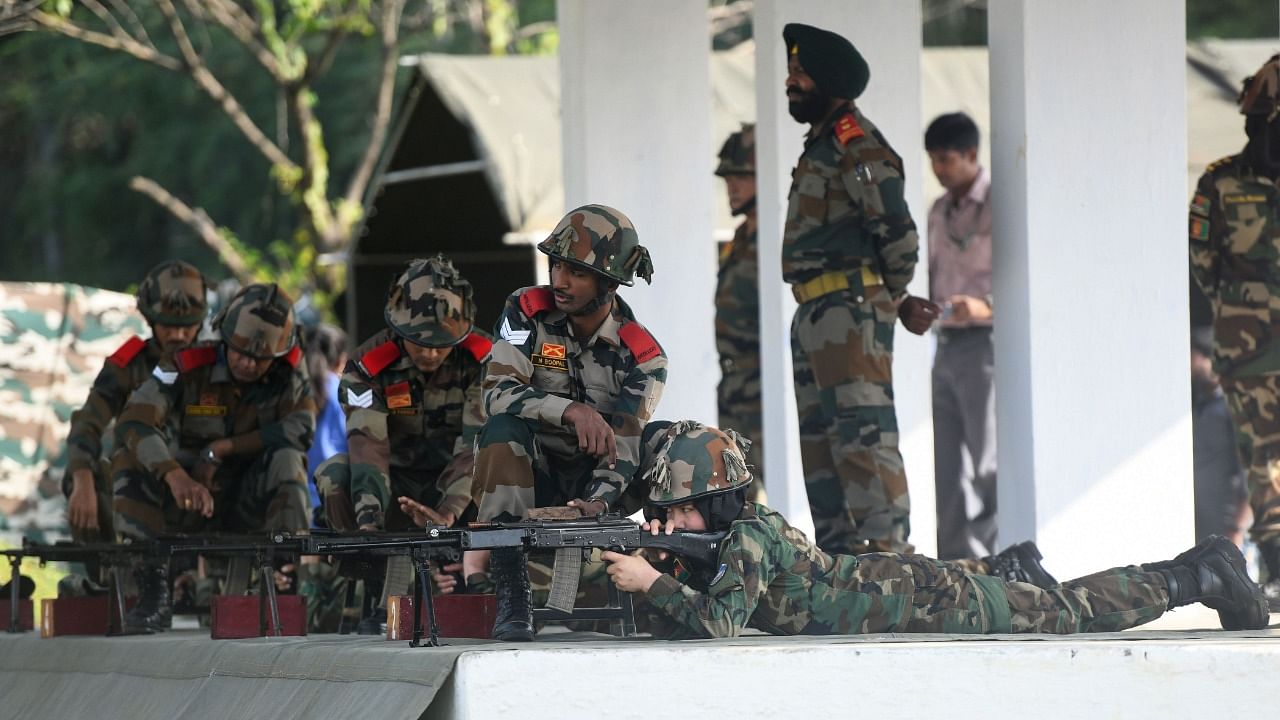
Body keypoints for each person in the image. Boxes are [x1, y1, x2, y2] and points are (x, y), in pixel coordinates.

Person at [601, 421, 1270, 639]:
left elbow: (720, 623)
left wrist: (652, 576)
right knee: (1052, 603)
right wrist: (663, 560)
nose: (672, 519)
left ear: (715, 499)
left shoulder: (745, 537)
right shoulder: (729, 532)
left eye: (681, 507)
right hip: (908, 587)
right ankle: (1010, 571)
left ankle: (1199, 574)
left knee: (1069, 614)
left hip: (929, 599)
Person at [474, 203, 667, 641]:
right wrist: (571, 410)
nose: (559, 281)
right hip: (530, 475)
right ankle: (512, 591)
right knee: (502, 431)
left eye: (576, 272)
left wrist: (596, 504)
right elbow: (495, 394)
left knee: (667, 442)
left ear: (610, 282)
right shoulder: (525, 310)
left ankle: (667, 572)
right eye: (556, 265)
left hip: (597, 487)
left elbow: (627, 446)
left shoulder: (644, 357)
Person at [781, 23, 939, 556]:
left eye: (801, 72)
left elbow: (897, 233)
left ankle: (890, 560)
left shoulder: (854, 141)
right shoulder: (821, 146)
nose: (790, 80)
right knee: (822, 444)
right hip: (816, 312)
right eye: (792, 70)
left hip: (849, 314)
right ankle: (843, 563)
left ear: (829, 79)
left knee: (863, 438)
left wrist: (889, 298)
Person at [113, 283, 315, 633]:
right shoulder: (187, 363)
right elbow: (134, 420)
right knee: (129, 460)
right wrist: (174, 475)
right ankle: (153, 589)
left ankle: (284, 578)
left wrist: (222, 448)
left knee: (288, 459)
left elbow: (301, 428)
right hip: (184, 501)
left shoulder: (289, 373)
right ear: (224, 337)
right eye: (239, 352)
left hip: (245, 501)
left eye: (261, 358)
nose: (249, 363)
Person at [1189, 54, 1280, 610]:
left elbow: (1206, 265)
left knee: (1266, 464)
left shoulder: (1221, 180)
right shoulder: (1219, 180)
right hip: (1247, 353)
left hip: (1244, 343)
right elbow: (1202, 261)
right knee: (1263, 464)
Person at [315, 256, 489, 534]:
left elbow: (477, 443)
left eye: (441, 344)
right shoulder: (366, 367)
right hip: (393, 484)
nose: (430, 353)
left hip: (461, 486)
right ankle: (364, 567)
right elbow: (368, 447)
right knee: (333, 473)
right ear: (397, 329)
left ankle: (478, 568)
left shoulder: (485, 360)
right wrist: (369, 520)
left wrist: (446, 513)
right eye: (419, 342)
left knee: (504, 464)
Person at [64, 260, 207, 545]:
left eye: (186, 327)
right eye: (168, 326)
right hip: (140, 482)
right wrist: (81, 480)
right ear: (150, 320)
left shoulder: (216, 365)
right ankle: (107, 574)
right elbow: (88, 422)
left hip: (200, 484)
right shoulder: (128, 365)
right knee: (83, 474)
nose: (178, 335)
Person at [924, 112, 998, 560]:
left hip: (986, 343)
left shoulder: (999, 205)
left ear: (971, 155)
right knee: (948, 465)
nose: (939, 169)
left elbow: (1028, 277)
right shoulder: (938, 210)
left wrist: (987, 307)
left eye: (947, 159)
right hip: (946, 343)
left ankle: (996, 560)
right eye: (933, 160)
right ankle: (954, 567)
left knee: (988, 461)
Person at [714, 123, 766, 503]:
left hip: (765, 385)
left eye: (742, 178)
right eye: (729, 178)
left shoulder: (775, 240)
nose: (732, 187)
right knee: (738, 491)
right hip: (735, 384)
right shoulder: (740, 239)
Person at [1191, 327, 1250, 546]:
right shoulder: (1198, 404)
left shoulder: (1231, 407)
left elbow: (1249, 470)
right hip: (1199, 532)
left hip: (1227, 532)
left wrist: (1237, 528)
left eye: (1194, 356)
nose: (1189, 364)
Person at [304, 323, 349, 526]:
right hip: (335, 503)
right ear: (342, 360)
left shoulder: (294, 389)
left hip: (293, 505)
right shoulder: (344, 393)